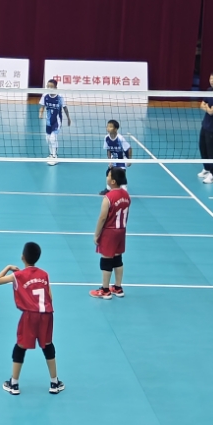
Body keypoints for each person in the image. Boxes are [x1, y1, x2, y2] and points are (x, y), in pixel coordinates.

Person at [0, 242, 64, 395]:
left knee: (20, 346)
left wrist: (8, 267)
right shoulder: (44, 274)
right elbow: (50, 297)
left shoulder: (18, 276)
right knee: (48, 345)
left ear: (22, 257)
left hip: (30, 316)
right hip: (46, 314)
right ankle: (54, 382)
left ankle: (14, 384)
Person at [90, 167, 130, 299]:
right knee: (118, 259)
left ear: (113, 181)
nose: (106, 177)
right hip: (121, 230)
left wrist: (97, 234)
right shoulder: (126, 196)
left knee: (106, 260)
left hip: (109, 232)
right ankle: (118, 287)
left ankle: (105, 290)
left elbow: (102, 217)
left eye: (108, 175)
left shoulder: (108, 197)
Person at [38, 79, 71, 166]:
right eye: (48, 86)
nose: (49, 88)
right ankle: (51, 154)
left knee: (53, 138)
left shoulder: (59, 97)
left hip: (57, 121)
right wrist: (40, 113)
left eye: (51, 86)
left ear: (56, 87)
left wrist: (68, 118)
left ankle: (55, 156)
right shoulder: (45, 95)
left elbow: (65, 108)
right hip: (48, 121)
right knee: (48, 139)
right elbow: (42, 107)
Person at [99, 119, 131, 195]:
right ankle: (108, 189)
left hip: (121, 159)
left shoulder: (120, 138)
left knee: (121, 175)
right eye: (107, 126)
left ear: (115, 129)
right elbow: (108, 150)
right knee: (108, 173)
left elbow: (129, 148)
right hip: (113, 159)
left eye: (110, 127)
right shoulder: (106, 138)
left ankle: (124, 191)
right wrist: (109, 160)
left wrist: (129, 160)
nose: (108, 128)